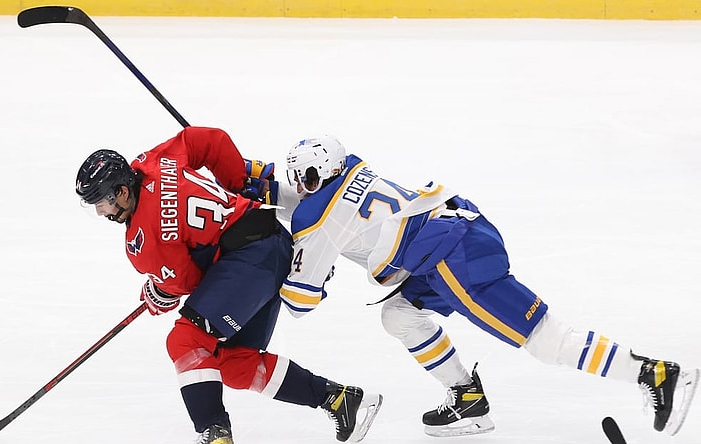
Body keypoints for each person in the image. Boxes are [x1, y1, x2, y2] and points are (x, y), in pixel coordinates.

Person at [243, 135, 699, 438]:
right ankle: (467, 399)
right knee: (399, 314)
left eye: (303, 177)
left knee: (544, 340)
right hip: (453, 234)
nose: (300, 186)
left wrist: (284, 263)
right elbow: (321, 207)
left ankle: (656, 373)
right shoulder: (352, 169)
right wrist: (262, 189)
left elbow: (302, 298)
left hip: (451, 260)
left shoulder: (316, 218)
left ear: (318, 173)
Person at [74, 127, 382, 444]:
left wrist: (160, 292)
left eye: (101, 202)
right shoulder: (153, 162)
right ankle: (341, 400)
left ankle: (214, 432)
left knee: (186, 339)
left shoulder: (143, 242)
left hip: (251, 259)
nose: (100, 212)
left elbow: (188, 281)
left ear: (122, 192)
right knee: (236, 363)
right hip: (269, 243)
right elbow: (209, 141)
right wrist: (237, 184)